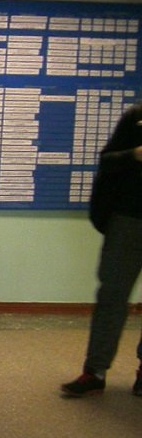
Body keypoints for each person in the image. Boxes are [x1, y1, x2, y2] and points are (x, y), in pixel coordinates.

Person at [61, 102, 142, 397]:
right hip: (129, 220)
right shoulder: (136, 117)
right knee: (111, 296)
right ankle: (94, 371)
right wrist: (134, 154)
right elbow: (108, 161)